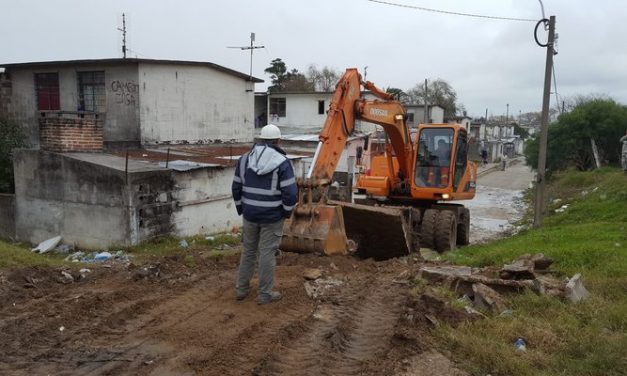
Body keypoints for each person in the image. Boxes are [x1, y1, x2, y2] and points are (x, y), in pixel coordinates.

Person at [231, 124, 298, 305]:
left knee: (249, 251)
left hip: (250, 215)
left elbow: (236, 187)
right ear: (277, 141)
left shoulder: (244, 159)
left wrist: (241, 209)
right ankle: (264, 294)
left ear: (260, 139)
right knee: (267, 253)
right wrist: (286, 212)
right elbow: (290, 194)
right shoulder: (283, 163)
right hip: (272, 216)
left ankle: (241, 290)